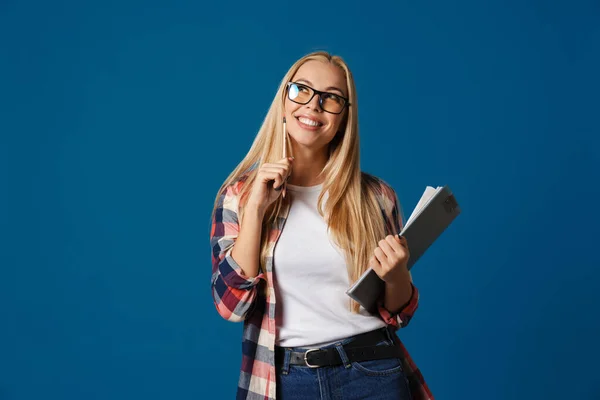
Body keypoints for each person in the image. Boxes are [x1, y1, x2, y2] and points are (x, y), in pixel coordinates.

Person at [210, 51, 433, 400]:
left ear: (344, 117)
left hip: (372, 372)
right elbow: (231, 306)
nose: (314, 105)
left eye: (331, 98)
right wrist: (255, 210)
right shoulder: (238, 195)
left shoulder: (375, 197)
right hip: (286, 381)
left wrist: (396, 274)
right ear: (284, 100)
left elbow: (399, 312)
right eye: (303, 90)